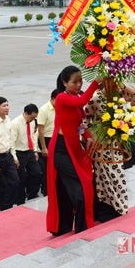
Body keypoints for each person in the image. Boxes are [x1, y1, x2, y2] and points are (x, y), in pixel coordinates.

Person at [46, 66, 100, 236]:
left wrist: (88, 137)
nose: (78, 85)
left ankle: (66, 227)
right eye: (74, 82)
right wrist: (96, 82)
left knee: (67, 190)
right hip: (61, 150)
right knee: (79, 190)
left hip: (74, 148)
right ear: (64, 83)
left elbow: (81, 123)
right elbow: (83, 101)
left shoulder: (75, 98)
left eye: (80, 81)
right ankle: (81, 228)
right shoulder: (62, 98)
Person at [85, 84, 132, 222]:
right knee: (104, 176)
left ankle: (120, 205)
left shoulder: (118, 95)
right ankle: (108, 208)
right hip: (101, 144)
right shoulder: (95, 98)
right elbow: (85, 118)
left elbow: (133, 92)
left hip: (115, 143)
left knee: (118, 173)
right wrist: (92, 136)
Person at [11, 103, 41, 205]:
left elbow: (33, 136)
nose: (33, 119)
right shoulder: (15, 123)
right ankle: (20, 200)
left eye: (35, 117)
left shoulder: (32, 122)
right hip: (19, 153)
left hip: (29, 151)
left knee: (37, 173)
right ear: (26, 114)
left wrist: (35, 150)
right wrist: (14, 157)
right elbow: (12, 142)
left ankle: (32, 194)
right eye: (32, 117)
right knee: (21, 178)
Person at [37, 89, 59, 196]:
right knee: (47, 168)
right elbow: (40, 129)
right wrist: (43, 147)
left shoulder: (59, 108)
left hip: (56, 138)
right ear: (53, 99)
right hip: (46, 139)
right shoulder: (44, 110)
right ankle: (46, 191)